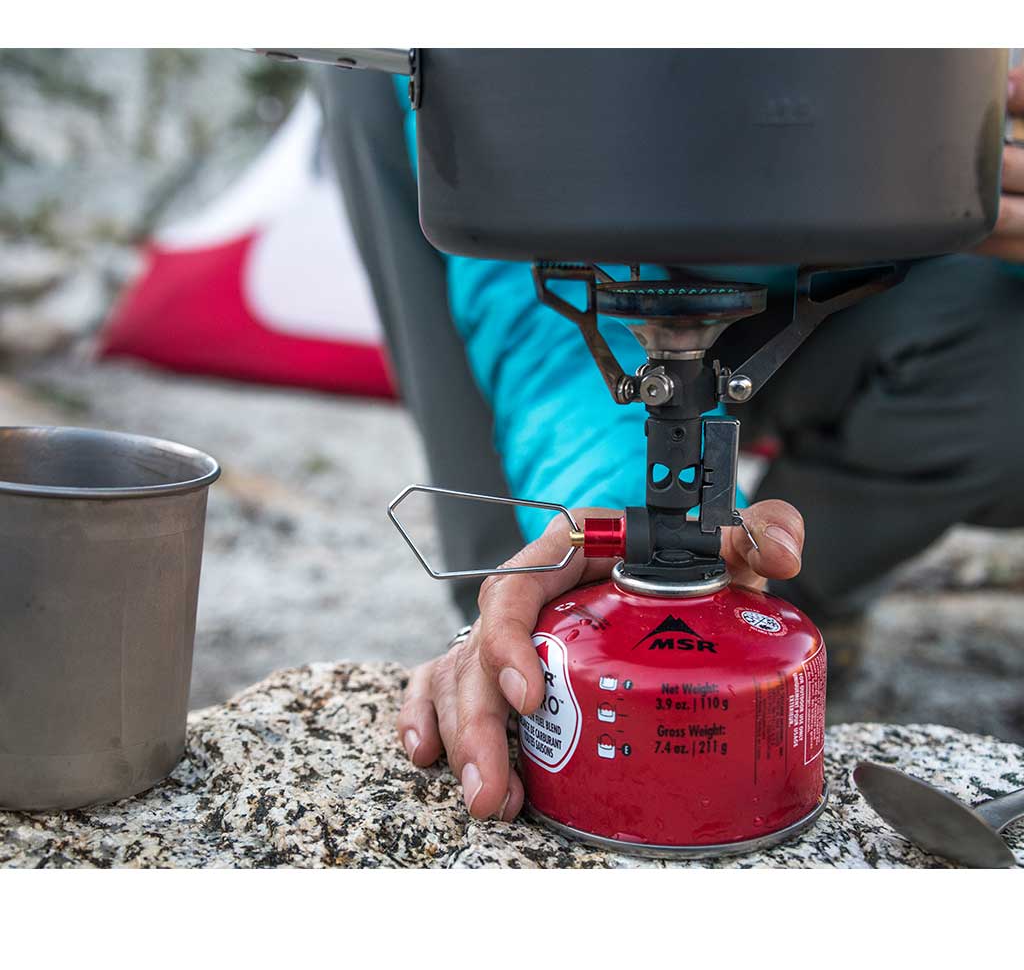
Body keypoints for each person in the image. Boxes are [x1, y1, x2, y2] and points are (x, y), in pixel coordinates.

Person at [318, 60, 1024, 824]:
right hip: (573, 239)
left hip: (874, 273)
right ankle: (525, 608)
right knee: (372, 74)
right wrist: (606, 506)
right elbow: (530, 306)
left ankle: (775, 607)